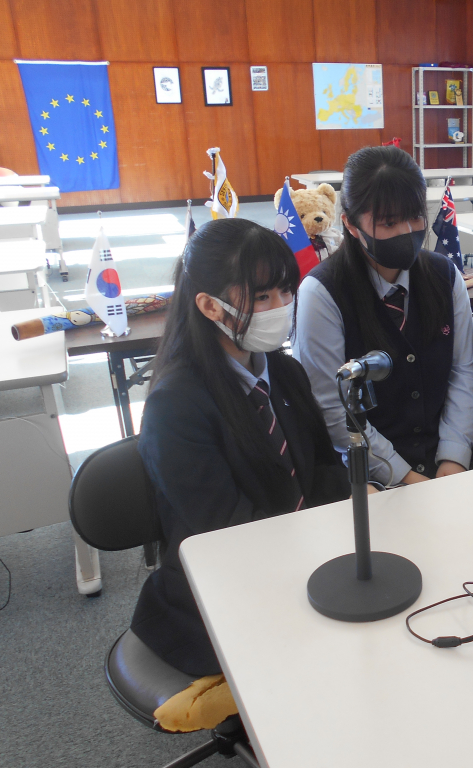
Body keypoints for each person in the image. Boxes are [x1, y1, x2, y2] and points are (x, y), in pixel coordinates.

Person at [132, 218, 350, 727]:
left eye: (284, 291)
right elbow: (226, 531)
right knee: (333, 676)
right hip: (222, 588)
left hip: (300, 559)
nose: (280, 308)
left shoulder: (285, 371)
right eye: (262, 296)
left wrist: (327, 542)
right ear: (209, 306)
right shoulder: (176, 405)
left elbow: (325, 469)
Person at [294, 146, 473, 485]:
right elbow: (332, 409)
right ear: (350, 224)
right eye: (388, 222)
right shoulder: (321, 294)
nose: (407, 231)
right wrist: (404, 476)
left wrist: (454, 460)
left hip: (449, 465)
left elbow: (464, 371)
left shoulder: (445, 275)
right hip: (370, 477)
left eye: (415, 216)